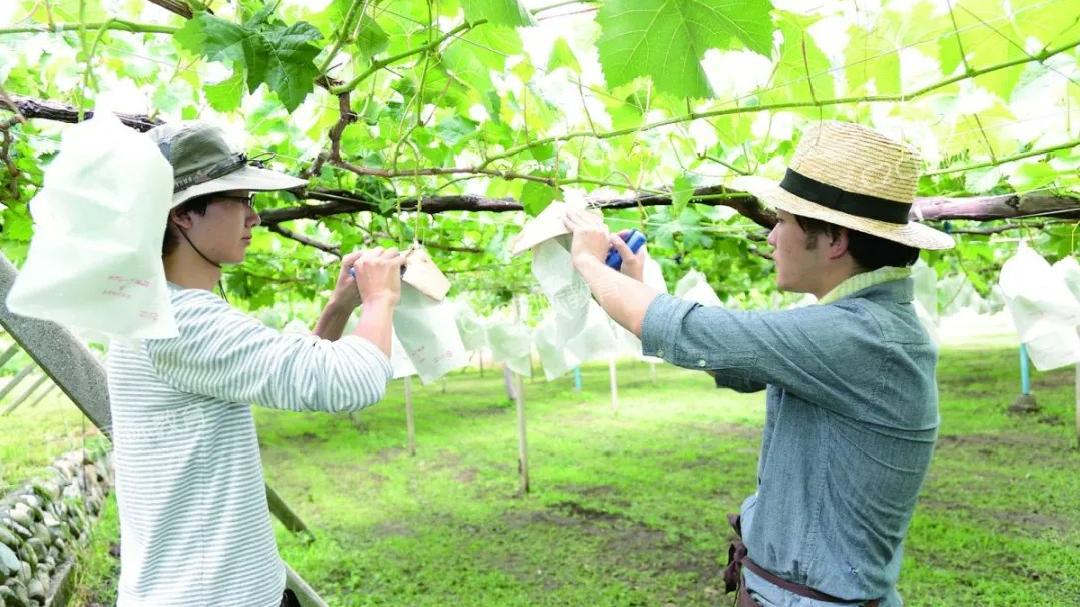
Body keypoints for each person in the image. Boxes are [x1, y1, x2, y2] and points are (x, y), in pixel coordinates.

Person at [563, 121, 954, 607]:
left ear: (833, 240)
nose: (771, 237)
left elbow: (694, 333)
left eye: (783, 221)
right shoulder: (858, 324)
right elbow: (733, 359)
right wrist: (640, 290)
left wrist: (587, 264)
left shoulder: (860, 335)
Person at [105, 122, 405, 607]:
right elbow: (353, 380)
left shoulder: (156, 310)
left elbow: (287, 376)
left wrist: (340, 308)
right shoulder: (181, 322)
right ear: (183, 214)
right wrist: (381, 298)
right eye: (240, 199)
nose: (255, 216)